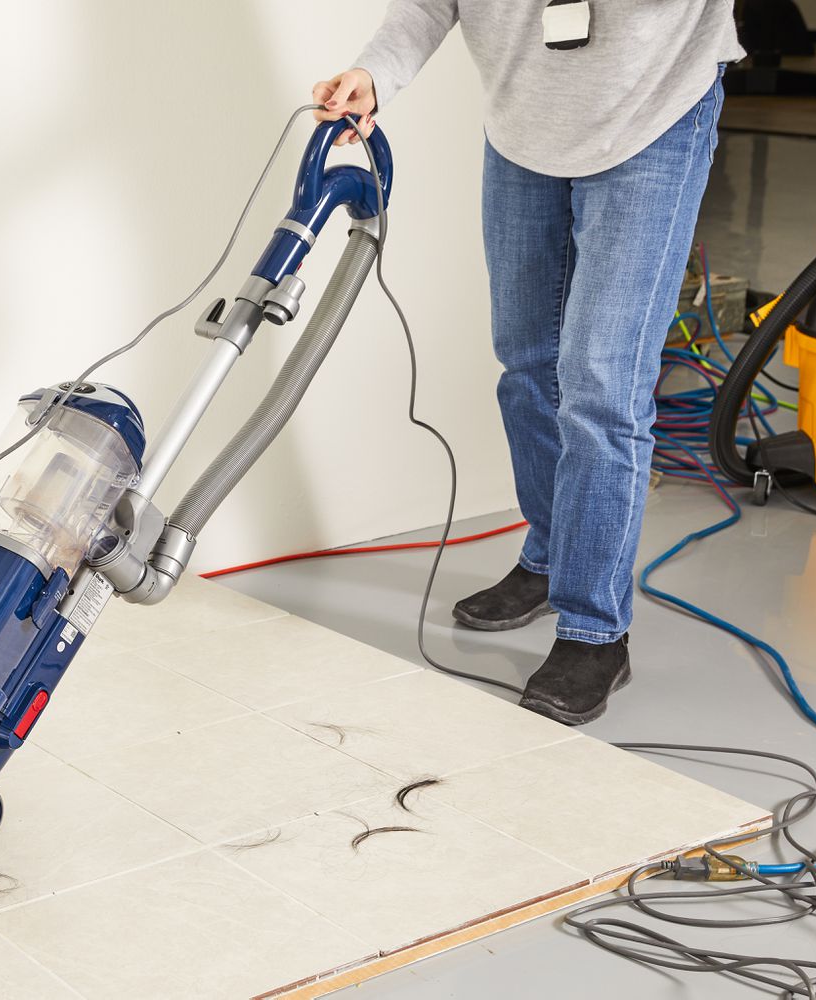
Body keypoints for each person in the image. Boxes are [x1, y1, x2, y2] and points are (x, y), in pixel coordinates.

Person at [316, 2, 744, 725]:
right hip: (522, 131)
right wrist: (376, 73)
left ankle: (594, 630)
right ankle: (550, 555)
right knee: (526, 363)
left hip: (653, 115)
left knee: (602, 388)